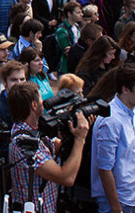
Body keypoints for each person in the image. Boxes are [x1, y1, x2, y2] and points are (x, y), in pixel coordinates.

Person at [8, 81, 90, 213]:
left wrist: (70, 132)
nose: (44, 103)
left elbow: (53, 147)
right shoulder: (25, 142)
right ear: (34, 105)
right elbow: (66, 178)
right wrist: (80, 139)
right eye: (41, 100)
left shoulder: (31, 129)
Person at [91, 64, 135, 213]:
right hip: (118, 202)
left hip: (133, 196)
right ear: (125, 89)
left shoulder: (130, 110)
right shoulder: (111, 120)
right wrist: (116, 208)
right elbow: (105, 169)